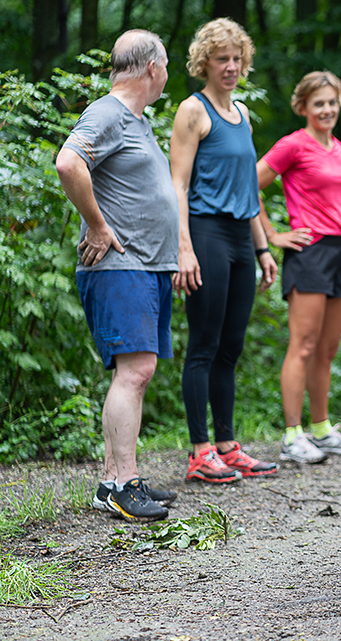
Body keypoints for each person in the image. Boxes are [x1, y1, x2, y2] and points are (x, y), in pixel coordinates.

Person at [55, 29, 178, 521]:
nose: (167, 74)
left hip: (146, 266)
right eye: (166, 65)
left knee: (137, 374)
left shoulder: (136, 120)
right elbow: (68, 163)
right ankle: (122, 484)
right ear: (152, 67)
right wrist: (99, 226)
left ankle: (116, 478)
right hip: (121, 266)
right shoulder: (107, 112)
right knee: (136, 371)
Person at [169, 18, 278, 483]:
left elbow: (248, 189)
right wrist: (183, 248)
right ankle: (199, 451)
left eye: (237, 58)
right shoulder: (192, 111)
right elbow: (177, 183)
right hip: (205, 234)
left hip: (239, 237)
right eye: (221, 59)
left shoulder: (242, 114)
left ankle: (228, 446)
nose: (231, 66)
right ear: (204, 64)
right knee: (204, 345)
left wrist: (263, 248)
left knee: (231, 347)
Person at [255, 71, 341, 464]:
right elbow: (250, 182)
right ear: (302, 107)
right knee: (302, 345)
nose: (327, 109)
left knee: (328, 348)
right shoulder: (292, 145)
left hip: (337, 252)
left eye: (332, 102)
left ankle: (321, 428)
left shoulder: (335, 147)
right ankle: (292, 436)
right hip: (308, 252)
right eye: (318, 103)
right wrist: (273, 234)